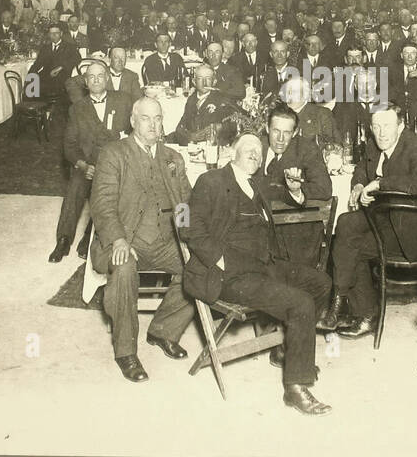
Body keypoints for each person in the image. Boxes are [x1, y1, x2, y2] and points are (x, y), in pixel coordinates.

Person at [181, 133, 334, 415]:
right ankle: (296, 387)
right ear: (231, 152)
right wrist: (219, 259)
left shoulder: (258, 185)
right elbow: (185, 221)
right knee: (301, 303)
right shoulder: (211, 181)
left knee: (321, 283)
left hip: (263, 267)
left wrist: (295, 189)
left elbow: (296, 197)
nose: (255, 153)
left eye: (258, 151)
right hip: (231, 275)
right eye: (247, 148)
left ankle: (289, 351)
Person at [89, 97, 198, 382]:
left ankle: (163, 331)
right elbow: (102, 204)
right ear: (133, 121)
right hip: (125, 238)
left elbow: (185, 203)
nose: (153, 125)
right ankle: (126, 352)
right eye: (146, 118)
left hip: (164, 241)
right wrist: (118, 241)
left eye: (158, 118)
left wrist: (191, 239)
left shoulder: (173, 157)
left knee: (201, 265)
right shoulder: (113, 154)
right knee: (124, 269)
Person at [324, 104, 417, 339]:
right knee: (345, 225)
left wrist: (380, 184)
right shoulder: (376, 145)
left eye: (387, 126)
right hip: (383, 220)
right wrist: (357, 185)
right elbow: (362, 170)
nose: (381, 132)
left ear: (401, 125)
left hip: (410, 230)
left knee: (351, 247)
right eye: (376, 127)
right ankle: (340, 300)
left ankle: (364, 313)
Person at [50, 62, 135, 263]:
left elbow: (136, 130)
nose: (96, 80)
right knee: (76, 186)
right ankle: (63, 239)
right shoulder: (77, 109)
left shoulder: (124, 101)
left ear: (107, 79)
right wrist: (83, 165)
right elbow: (69, 145)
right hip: (88, 165)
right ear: (86, 83)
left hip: (116, 166)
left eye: (100, 76)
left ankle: (89, 236)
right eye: (91, 77)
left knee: (109, 194)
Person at [258, 103, 333, 266]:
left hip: (295, 230)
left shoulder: (306, 149)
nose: (280, 139)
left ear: (295, 132)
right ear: (266, 128)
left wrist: (296, 191)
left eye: (287, 133)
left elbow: (324, 188)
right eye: (276, 131)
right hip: (259, 228)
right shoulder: (256, 146)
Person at [169, 65, 236, 145]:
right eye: (200, 78)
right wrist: (191, 136)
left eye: (208, 78)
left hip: (213, 146)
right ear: (194, 82)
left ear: (214, 82)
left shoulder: (221, 99)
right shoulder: (191, 100)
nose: (204, 82)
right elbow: (181, 128)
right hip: (194, 146)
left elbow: (234, 125)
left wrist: (220, 127)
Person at [28, 24, 81, 102]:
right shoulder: (45, 48)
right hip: (47, 76)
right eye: (51, 33)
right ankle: (35, 109)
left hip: (62, 77)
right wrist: (30, 76)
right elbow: (37, 64)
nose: (54, 35)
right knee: (31, 85)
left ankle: (51, 108)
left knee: (43, 88)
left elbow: (77, 58)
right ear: (49, 35)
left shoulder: (69, 47)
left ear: (61, 33)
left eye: (56, 33)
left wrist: (61, 67)